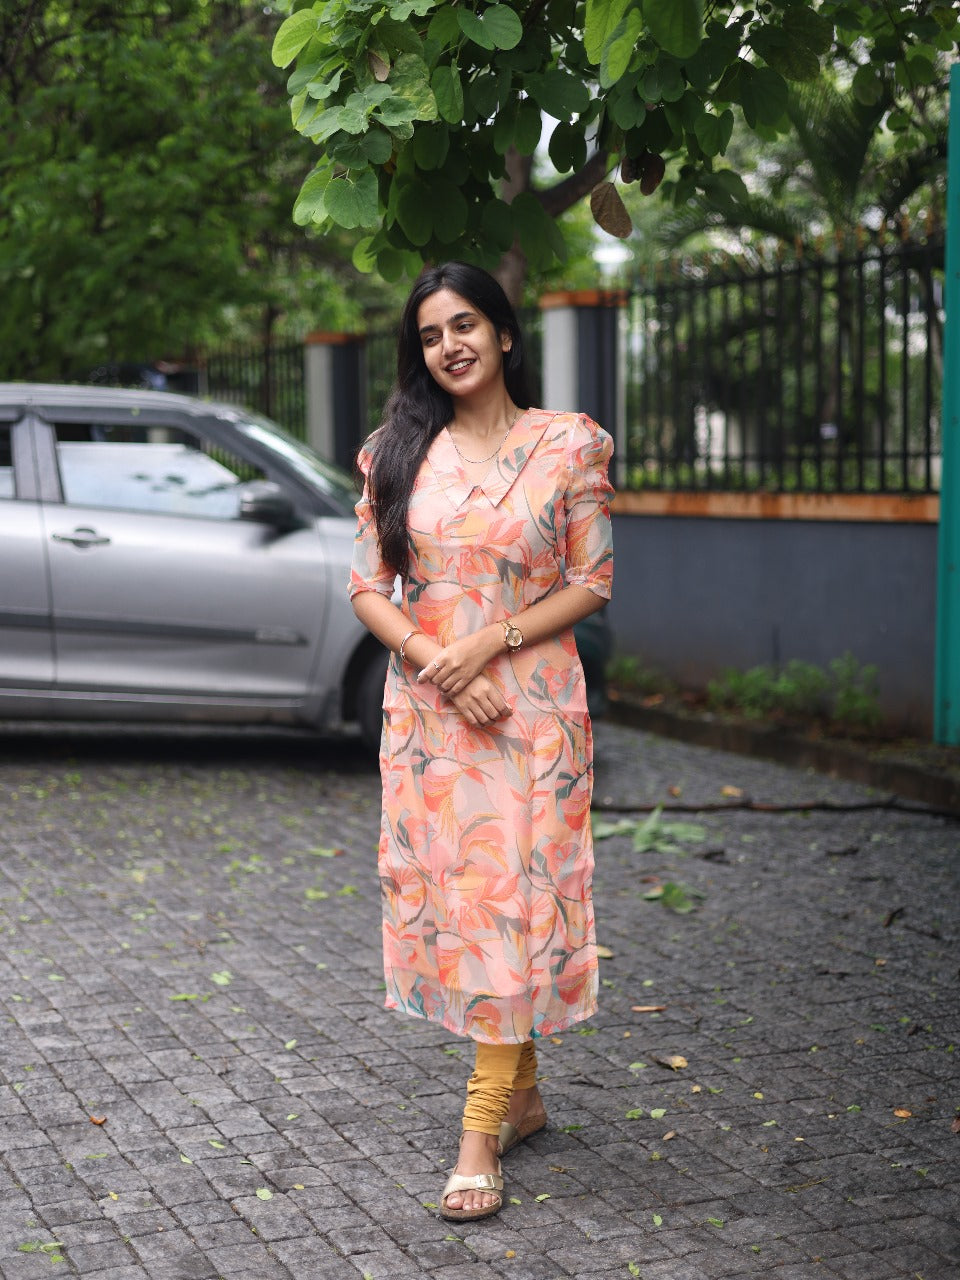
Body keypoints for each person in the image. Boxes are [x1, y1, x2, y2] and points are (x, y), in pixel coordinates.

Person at [348, 262, 614, 1222]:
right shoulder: (394, 452)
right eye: (430, 334)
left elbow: (591, 581)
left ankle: (478, 1134)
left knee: (519, 903)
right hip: (433, 718)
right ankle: (525, 1097)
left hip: (532, 711)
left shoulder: (568, 446)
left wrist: (488, 644)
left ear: (504, 334)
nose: (449, 344)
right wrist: (435, 658)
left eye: (466, 324)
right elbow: (367, 587)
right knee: (471, 907)